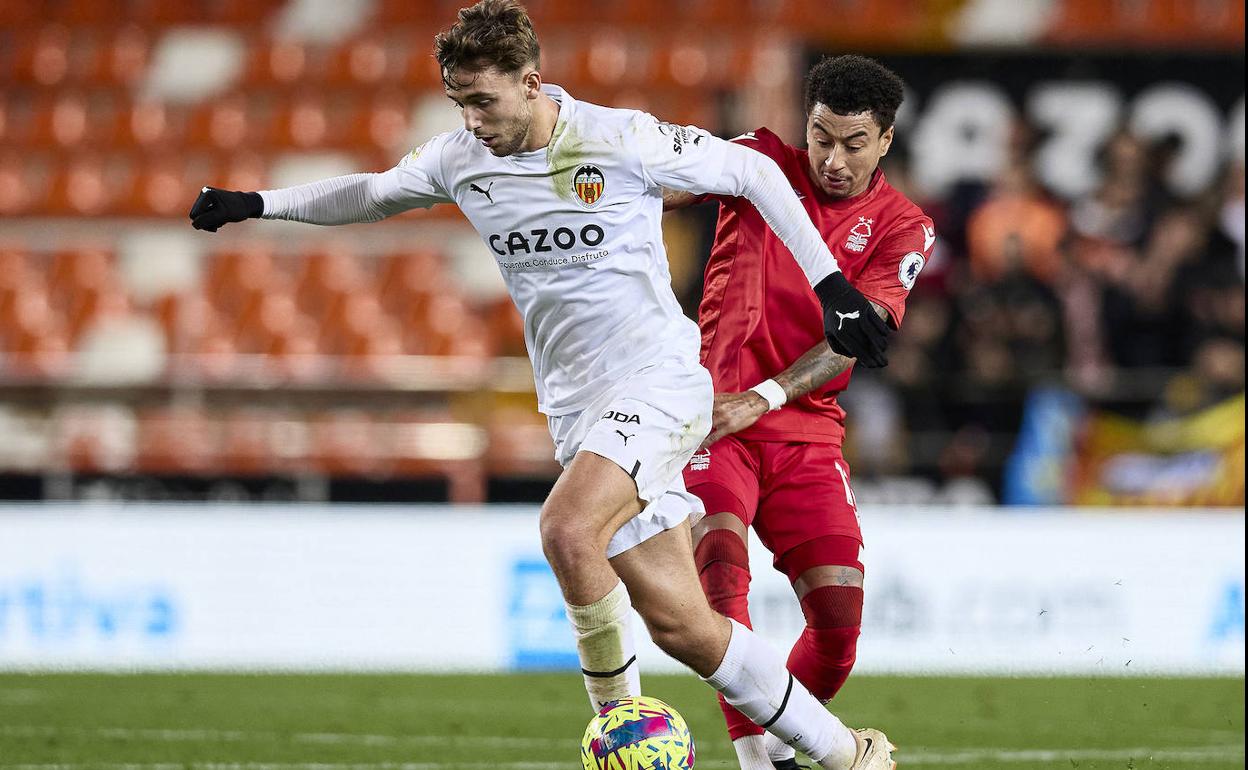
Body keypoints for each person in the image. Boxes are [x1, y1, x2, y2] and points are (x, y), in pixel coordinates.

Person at [188, 3, 895, 767]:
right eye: (460, 100)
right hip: (580, 410)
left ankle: (622, 732)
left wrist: (829, 282)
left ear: (531, 83)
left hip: (658, 383)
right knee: (685, 628)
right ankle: (851, 753)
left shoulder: (618, 138)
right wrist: (258, 204)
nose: (472, 118)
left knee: (564, 530)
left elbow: (752, 170)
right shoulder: (461, 157)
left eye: (483, 100)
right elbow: (371, 192)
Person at [665, 55, 934, 770]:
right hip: (713, 415)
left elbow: (854, 338)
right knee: (721, 579)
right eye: (821, 137)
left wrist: (771, 395)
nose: (833, 159)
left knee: (839, 628)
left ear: (886, 140)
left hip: (805, 429)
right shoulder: (755, 161)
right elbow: (656, 180)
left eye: (853, 143)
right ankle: (761, 764)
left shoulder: (904, 227)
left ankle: (780, 753)